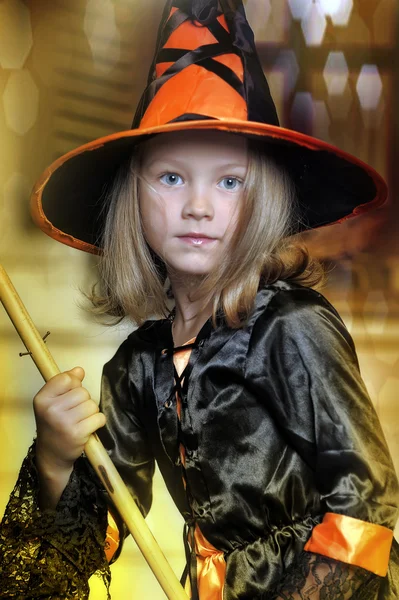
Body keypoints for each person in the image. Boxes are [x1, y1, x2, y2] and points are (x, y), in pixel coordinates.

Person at [1, 1, 398, 599]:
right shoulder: (138, 367)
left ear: (261, 198)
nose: (198, 207)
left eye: (229, 180)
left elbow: (365, 504)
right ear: (130, 198)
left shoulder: (293, 326)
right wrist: (57, 458)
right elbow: (88, 540)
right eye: (171, 177)